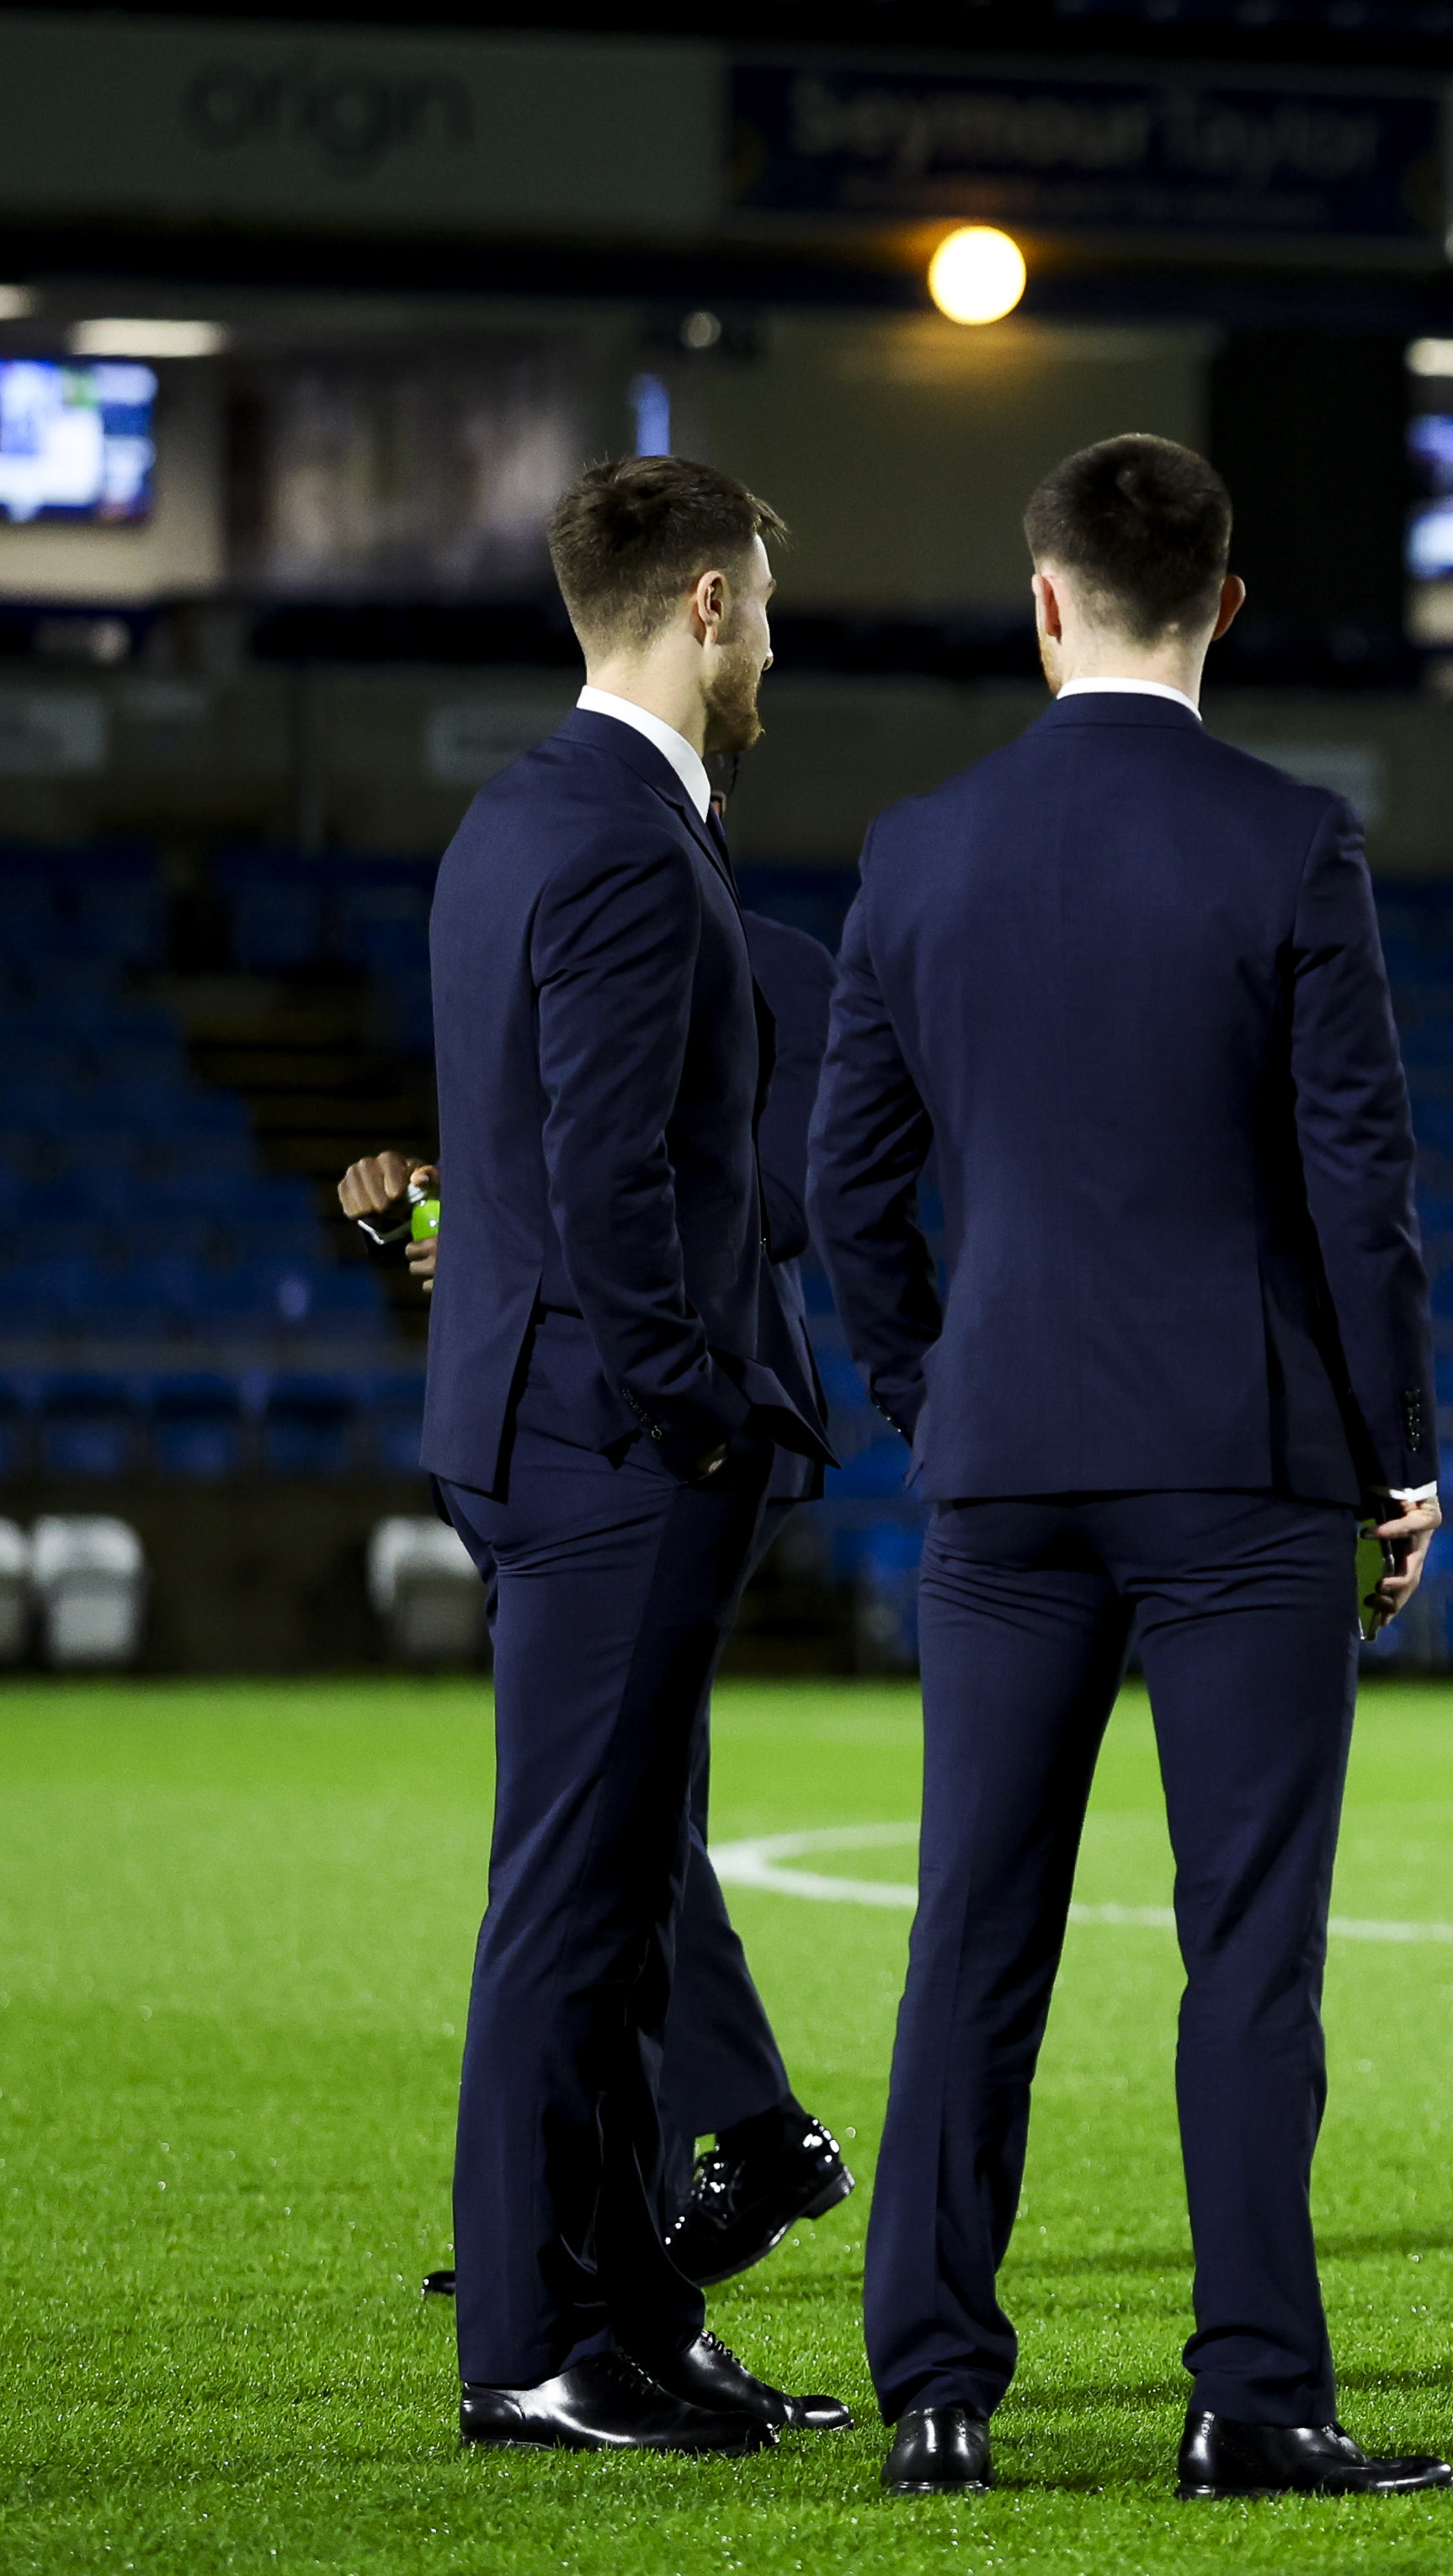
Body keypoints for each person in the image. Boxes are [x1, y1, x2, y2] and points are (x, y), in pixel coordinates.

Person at [810, 434, 1450, 2502]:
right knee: (1245, 1945)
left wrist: (934, 1395)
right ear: (1227, 608)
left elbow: (843, 1189)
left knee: (969, 1934)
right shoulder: (1290, 844)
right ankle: (1251, 2397)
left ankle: (935, 2392)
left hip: (1004, 1466)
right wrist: (1400, 1463)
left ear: (1045, 597)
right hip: (1242, 1467)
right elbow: (1365, 1189)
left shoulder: (916, 849)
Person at [418, 453, 850, 2454]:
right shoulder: (615, 844)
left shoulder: (531, 816)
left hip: (548, 1431)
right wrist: (692, 1421)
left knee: (610, 1900)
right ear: (699, 607)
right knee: (574, 1914)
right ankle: (530, 2344)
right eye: (757, 605)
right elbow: (608, 1185)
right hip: (609, 1449)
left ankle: (639, 2315)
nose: (770, 641)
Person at [347, 899, 859, 2304]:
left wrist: (533, 1241)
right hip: (550, 1433)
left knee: (598, 1811)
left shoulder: (784, 967)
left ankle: (647, 2189)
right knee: (630, 1811)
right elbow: (536, 1181)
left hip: (689, 1432)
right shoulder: (561, 946)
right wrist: (441, 1206)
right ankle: (667, 2176)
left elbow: (783, 1201)